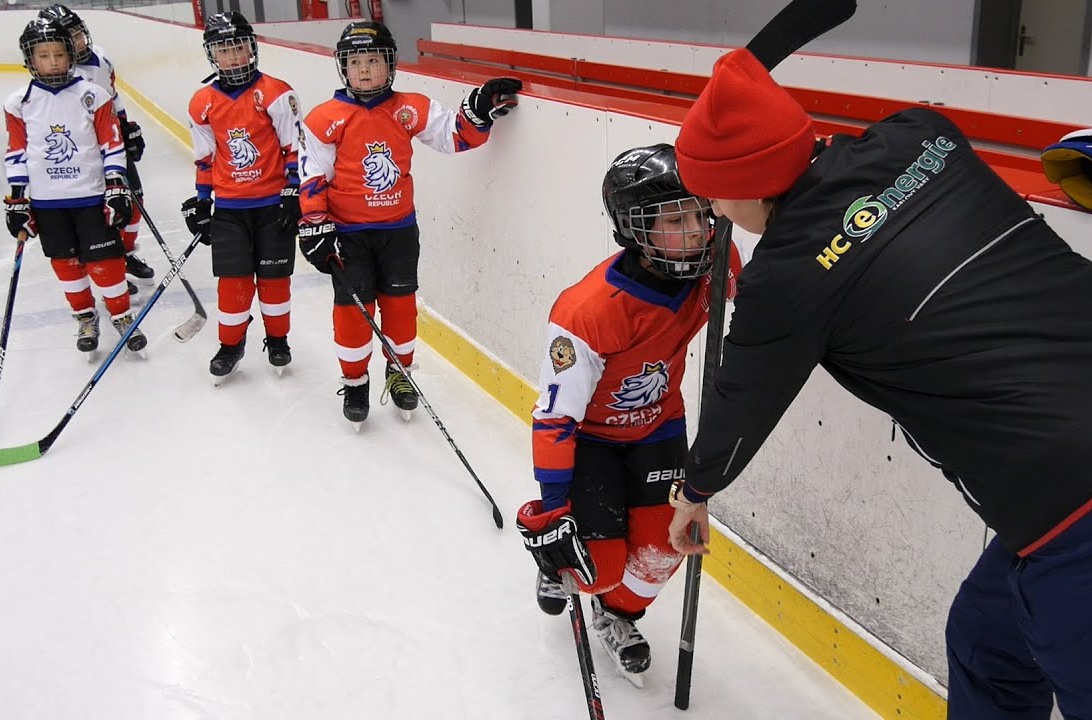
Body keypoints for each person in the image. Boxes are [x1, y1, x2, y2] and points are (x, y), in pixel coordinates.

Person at [668, 47, 1092, 719]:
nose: (713, 212)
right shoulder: (921, 135)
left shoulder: (785, 279)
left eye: (712, 194)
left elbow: (738, 405)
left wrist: (694, 493)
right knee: (989, 644)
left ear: (746, 182)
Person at [514, 144, 740, 682]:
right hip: (592, 441)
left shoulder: (716, 256)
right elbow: (554, 419)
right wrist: (552, 510)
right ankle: (550, 553)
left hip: (660, 426)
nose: (693, 232)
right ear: (634, 232)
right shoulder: (587, 311)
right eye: (673, 220)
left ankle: (616, 616)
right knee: (600, 567)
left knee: (672, 544)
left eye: (698, 214)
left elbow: (762, 296)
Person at [295, 20, 522, 427]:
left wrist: (480, 108)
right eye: (356, 61)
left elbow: (454, 135)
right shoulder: (324, 118)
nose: (365, 70)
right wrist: (314, 220)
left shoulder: (409, 107)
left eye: (374, 61)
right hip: (348, 235)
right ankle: (355, 380)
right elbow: (312, 175)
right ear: (342, 67)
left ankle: (399, 372)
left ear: (391, 65)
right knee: (353, 312)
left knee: (400, 309)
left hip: (398, 231)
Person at [4, 18, 146, 356]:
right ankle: (85, 316)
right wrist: (17, 200)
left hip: (90, 195)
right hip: (48, 201)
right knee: (65, 262)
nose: (52, 62)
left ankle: (122, 316)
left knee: (107, 259)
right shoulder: (19, 103)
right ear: (30, 59)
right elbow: (17, 152)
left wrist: (115, 186)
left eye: (58, 54)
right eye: (43, 55)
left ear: (71, 54)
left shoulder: (93, 96)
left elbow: (112, 146)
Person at [181, 12, 302, 384]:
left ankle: (278, 339)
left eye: (238, 48)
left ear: (252, 48)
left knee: (274, 281)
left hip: (272, 207)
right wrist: (202, 201)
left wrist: (293, 190)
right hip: (230, 209)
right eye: (224, 50)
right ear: (211, 55)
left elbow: (294, 148)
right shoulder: (202, 102)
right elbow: (206, 157)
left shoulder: (277, 92)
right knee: (232, 284)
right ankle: (231, 345)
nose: (233, 57)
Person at [38, 3, 154, 294]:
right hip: (83, 155)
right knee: (101, 214)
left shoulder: (101, 57)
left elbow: (112, 96)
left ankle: (124, 255)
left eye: (79, 34)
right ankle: (109, 261)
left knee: (133, 201)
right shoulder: (56, 74)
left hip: (111, 143)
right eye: (70, 37)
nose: (78, 42)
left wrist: (126, 126)